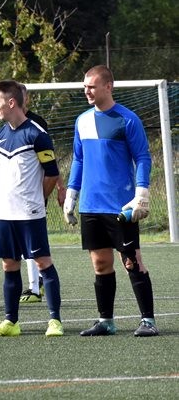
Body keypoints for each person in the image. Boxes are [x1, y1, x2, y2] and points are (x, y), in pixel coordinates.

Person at [64, 65, 158, 337]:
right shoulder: (81, 121)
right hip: (90, 206)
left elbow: (143, 157)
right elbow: (79, 159)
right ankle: (106, 321)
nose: (87, 91)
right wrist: (71, 195)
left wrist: (142, 193)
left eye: (92, 86)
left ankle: (148, 321)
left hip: (120, 206)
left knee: (132, 261)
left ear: (108, 86)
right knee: (100, 264)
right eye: (85, 86)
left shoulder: (127, 119)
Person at [0, 80, 63, 337]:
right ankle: (11, 322)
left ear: (11, 102)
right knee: (9, 265)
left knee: (42, 262)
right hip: (5, 214)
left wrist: (37, 200)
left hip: (30, 213)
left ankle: (55, 321)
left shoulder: (37, 134)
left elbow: (51, 173)